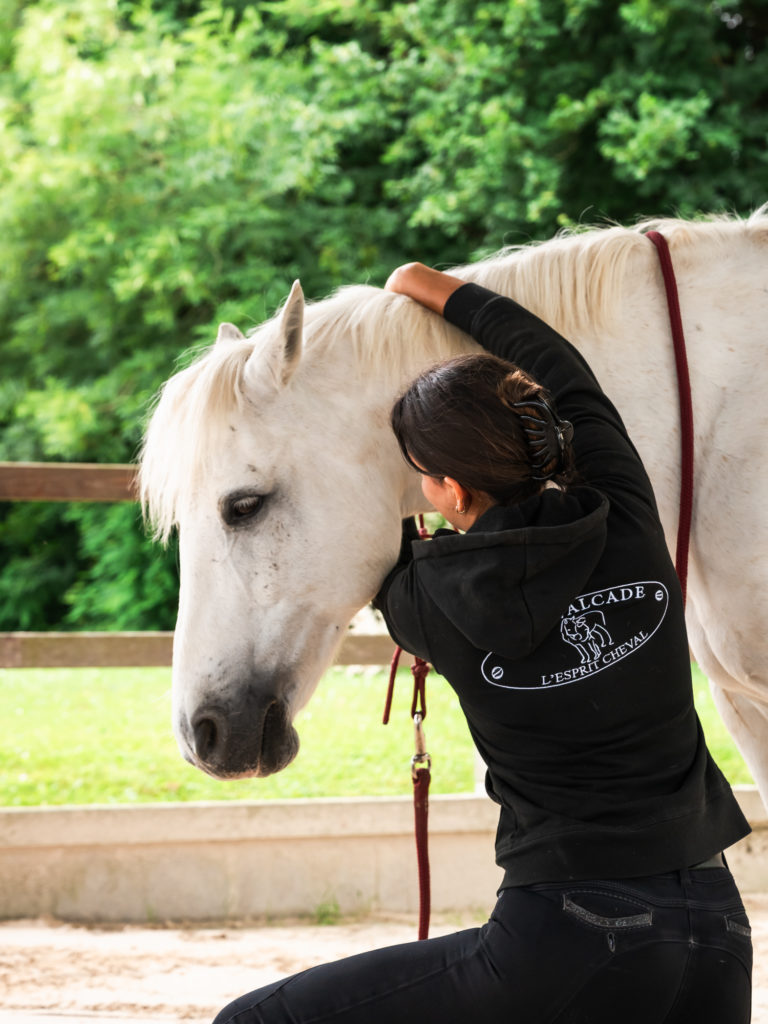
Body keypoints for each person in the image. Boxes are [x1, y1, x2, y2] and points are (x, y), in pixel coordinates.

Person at [212, 264, 753, 1024]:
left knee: (254, 1021)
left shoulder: (430, 602)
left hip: (568, 936)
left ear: (454, 492)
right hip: (719, 933)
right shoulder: (626, 510)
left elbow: (358, 542)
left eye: (424, 476)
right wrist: (428, 284)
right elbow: (564, 368)